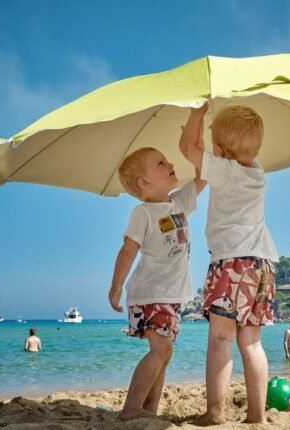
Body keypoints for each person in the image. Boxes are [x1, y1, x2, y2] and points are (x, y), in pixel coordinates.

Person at [180, 103, 278, 426]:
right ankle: (257, 416)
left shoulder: (225, 170)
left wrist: (197, 112)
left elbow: (187, 148)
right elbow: (202, 157)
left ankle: (214, 412)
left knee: (221, 339)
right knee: (252, 343)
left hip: (231, 263)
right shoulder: (257, 173)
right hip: (262, 264)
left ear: (221, 151)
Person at [108, 146, 204, 421]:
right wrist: (116, 285)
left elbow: (204, 176)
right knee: (161, 349)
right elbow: (128, 249)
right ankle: (131, 408)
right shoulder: (144, 213)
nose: (170, 163)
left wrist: (197, 144)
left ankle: (149, 411)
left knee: (165, 353)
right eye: (161, 163)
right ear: (144, 183)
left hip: (172, 296)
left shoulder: (180, 202)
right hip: (151, 292)